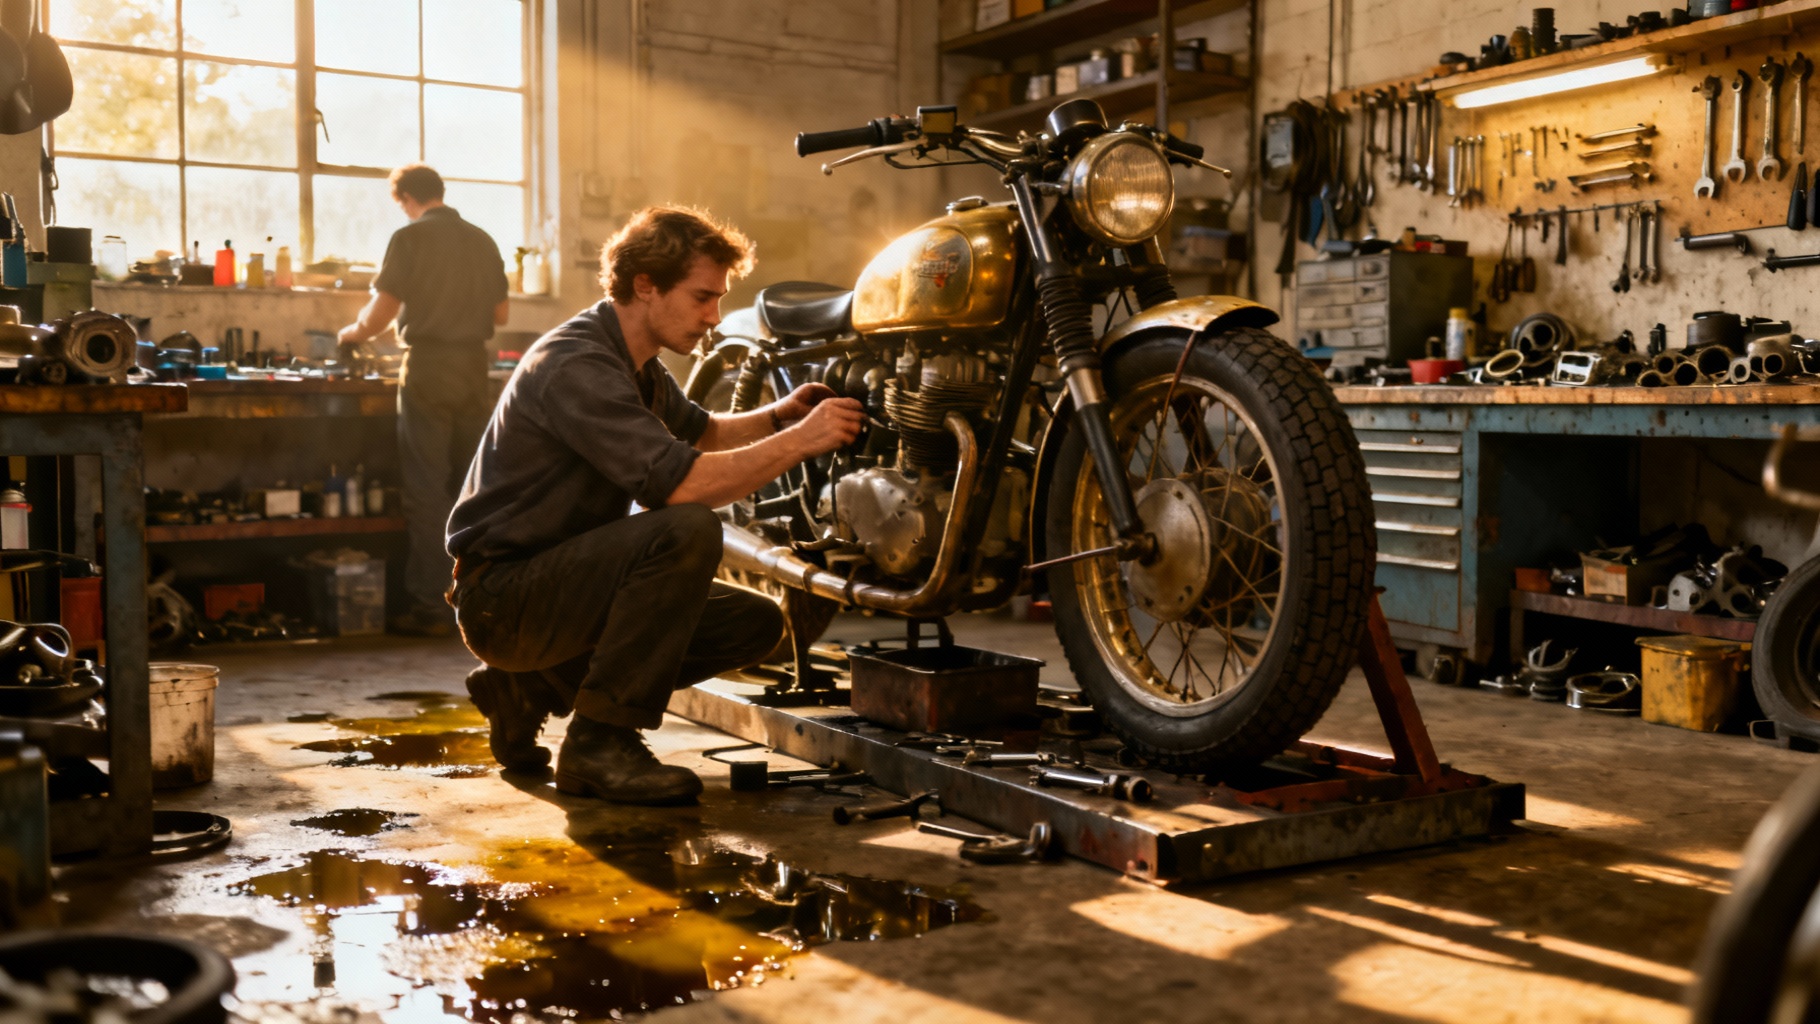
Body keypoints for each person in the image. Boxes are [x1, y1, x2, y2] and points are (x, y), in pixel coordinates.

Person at [446, 206, 864, 805]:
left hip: (553, 589)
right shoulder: (578, 364)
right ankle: (598, 742)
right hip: (503, 600)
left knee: (755, 623)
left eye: (718, 299)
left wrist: (782, 416)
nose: (713, 317)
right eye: (702, 297)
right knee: (685, 529)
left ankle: (529, 690)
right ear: (646, 284)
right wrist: (805, 440)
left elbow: (703, 433)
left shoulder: (634, 362)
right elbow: (682, 487)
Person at [339, 164, 509, 637]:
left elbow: (382, 312)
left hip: (429, 368)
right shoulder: (482, 239)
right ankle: (482, 604)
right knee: (474, 486)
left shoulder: (408, 238)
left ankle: (431, 609)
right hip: (475, 367)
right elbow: (501, 311)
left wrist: (350, 333)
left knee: (426, 487)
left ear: (406, 198)